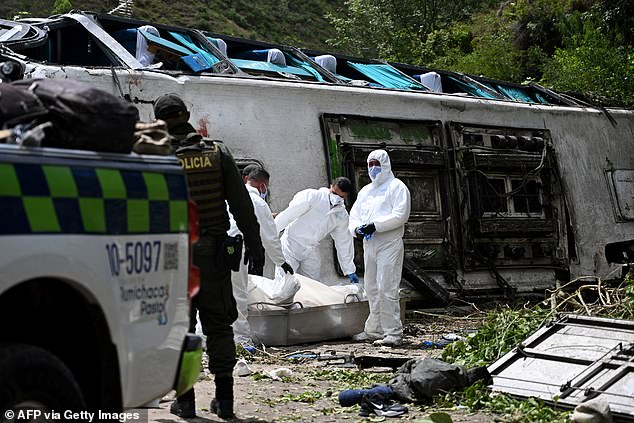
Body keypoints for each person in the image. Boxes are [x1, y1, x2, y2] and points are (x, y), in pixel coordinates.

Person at [154, 93, 265, 420]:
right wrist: (256, 247)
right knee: (218, 325)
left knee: (181, 328)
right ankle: (225, 401)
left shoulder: (155, 155)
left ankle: (186, 400)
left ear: (159, 121)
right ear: (187, 114)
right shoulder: (217, 153)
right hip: (213, 255)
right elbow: (242, 207)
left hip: (174, 257)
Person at [349, 150, 411, 347]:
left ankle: (393, 333)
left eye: (377, 163)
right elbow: (355, 215)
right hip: (370, 244)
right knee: (371, 288)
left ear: (385, 164)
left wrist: (377, 225)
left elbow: (401, 215)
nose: (373, 168)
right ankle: (374, 330)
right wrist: (356, 230)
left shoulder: (397, 187)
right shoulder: (366, 191)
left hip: (389, 245)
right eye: (370, 164)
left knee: (387, 287)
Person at [227, 166, 294, 348]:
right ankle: (240, 341)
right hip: (233, 248)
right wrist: (281, 262)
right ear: (263, 186)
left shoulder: (227, 196)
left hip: (211, 247)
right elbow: (270, 237)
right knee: (238, 295)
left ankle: (206, 338)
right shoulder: (257, 202)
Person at [274, 177, 359, 283]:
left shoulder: (341, 215)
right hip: (290, 245)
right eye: (334, 193)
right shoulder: (312, 196)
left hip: (311, 249)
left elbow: (343, 242)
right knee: (284, 282)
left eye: (341, 196)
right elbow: (288, 215)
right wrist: (271, 235)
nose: (336, 198)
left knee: (312, 286)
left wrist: (349, 269)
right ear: (331, 187)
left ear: (346, 196)